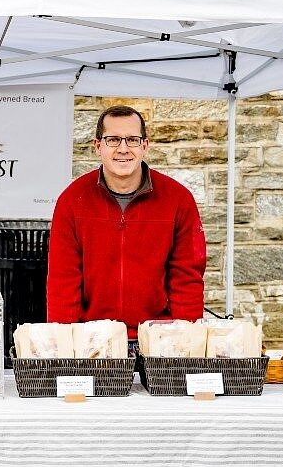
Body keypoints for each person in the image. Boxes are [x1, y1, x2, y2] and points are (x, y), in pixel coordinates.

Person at [46, 105, 206, 339]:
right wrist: (64, 344)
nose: (123, 149)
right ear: (98, 146)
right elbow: (63, 281)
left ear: (144, 146)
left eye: (132, 140)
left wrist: (185, 342)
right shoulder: (72, 201)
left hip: (158, 339)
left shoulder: (178, 200)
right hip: (92, 339)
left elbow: (187, 279)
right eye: (113, 140)